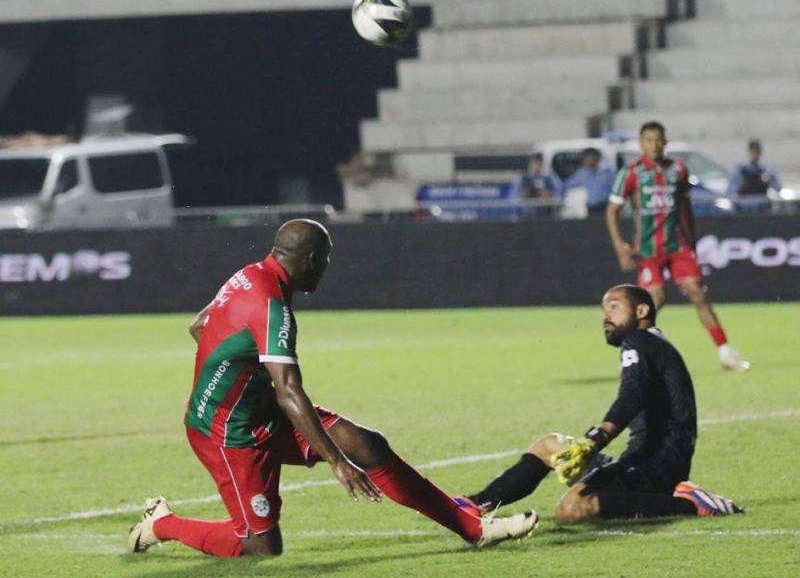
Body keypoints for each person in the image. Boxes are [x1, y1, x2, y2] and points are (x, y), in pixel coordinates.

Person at [127, 219, 538, 557]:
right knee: (261, 548)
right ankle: (162, 524)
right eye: (324, 260)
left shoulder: (248, 276)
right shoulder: (273, 307)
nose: (325, 268)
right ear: (309, 259)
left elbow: (200, 326)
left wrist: (242, 379)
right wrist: (337, 462)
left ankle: (473, 528)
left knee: (368, 444)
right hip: (228, 434)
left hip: (260, 411)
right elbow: (289, 391)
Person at [456, 284, 742, 522]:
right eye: (604, 310)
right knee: (549, 446)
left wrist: (596, 439)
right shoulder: (652, 344)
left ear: (642, 311)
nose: (606, 316)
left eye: (614, 307)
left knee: (571, 509)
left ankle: (689, 504)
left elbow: (631, 396)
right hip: (645, 460)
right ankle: (477, 505)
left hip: (656, 466)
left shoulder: (639, 342)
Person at [606, 121, 749, 371]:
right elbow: (612, 211)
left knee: (697, 292)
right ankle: (631, 354)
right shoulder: (631, 172)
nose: (654, 144)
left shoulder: (678, 170)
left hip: (677, 247)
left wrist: (691, 243)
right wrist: (620, 247)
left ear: (665, 142)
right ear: (641, 144)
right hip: (649, 249)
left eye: (658, 139)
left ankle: (725, 352)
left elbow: (685, 208)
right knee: (652, 301)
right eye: (648, 140)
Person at [562, 147, 615, 214]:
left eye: (594, 158)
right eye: (589, 158)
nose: (591, 160)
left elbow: (614, 191)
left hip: (605, 207)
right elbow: (567, 188)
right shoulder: (579, 175)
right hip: (587, 209)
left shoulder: (606, 174)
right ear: (584, 159)